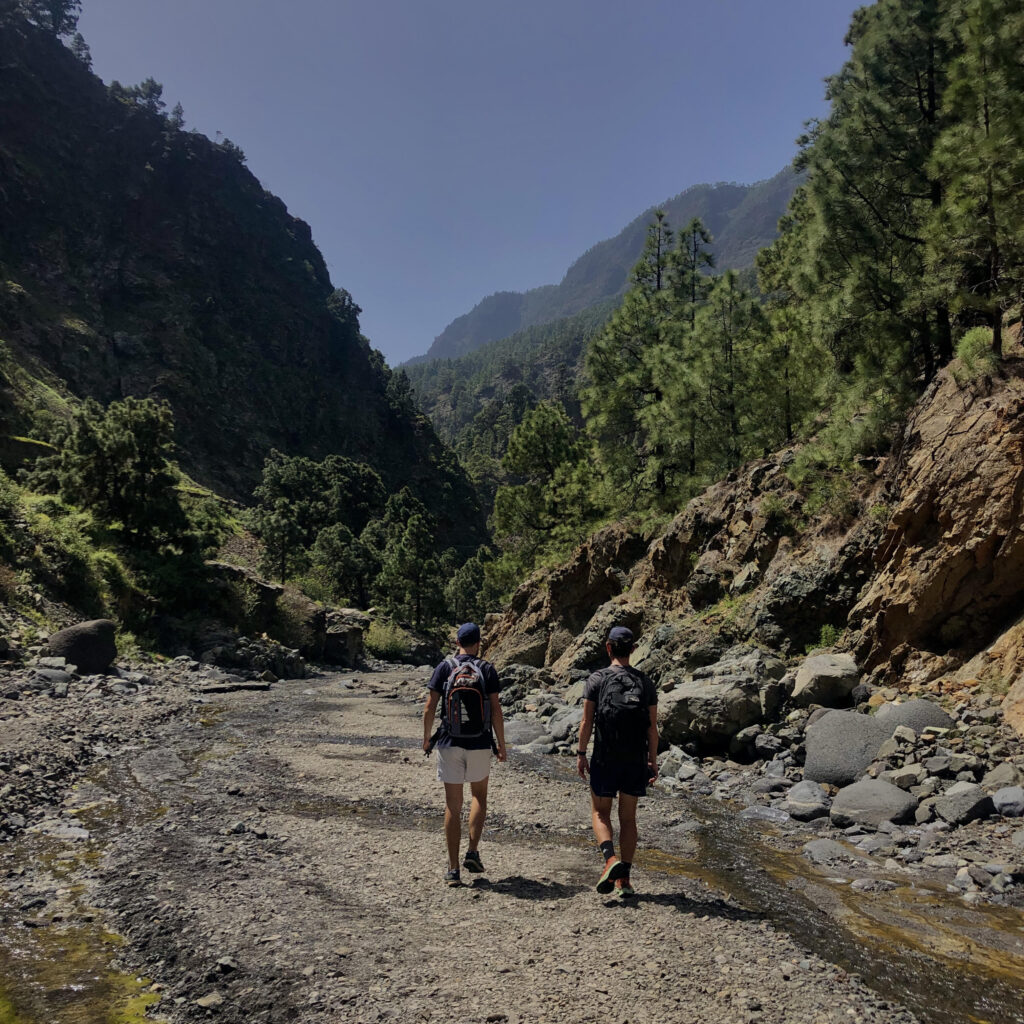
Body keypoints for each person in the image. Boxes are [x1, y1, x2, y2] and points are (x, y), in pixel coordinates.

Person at [576, 626, 658, 897]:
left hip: (605, 757)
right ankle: (625, 879)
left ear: (608, 647)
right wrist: (652, 761)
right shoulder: (645, 683)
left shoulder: (597, 679)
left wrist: (580, 753)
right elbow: (652, 728)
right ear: (633, 650)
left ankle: (610, 861)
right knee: (629, 818)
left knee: (600, 813)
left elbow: (587, 722)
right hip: (634, 759)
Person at [423, 622, 506, 886]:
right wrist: (501, 744)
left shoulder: (445, 667)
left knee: (452, 805)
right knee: (479, 796)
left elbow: (430, 706)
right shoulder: (486, 669)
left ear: (457, 642)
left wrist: (426, 739)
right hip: (480, 743)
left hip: (449, 741)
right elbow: (495, 711)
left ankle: (453, 869)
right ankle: (472, 850)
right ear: (478, 643)